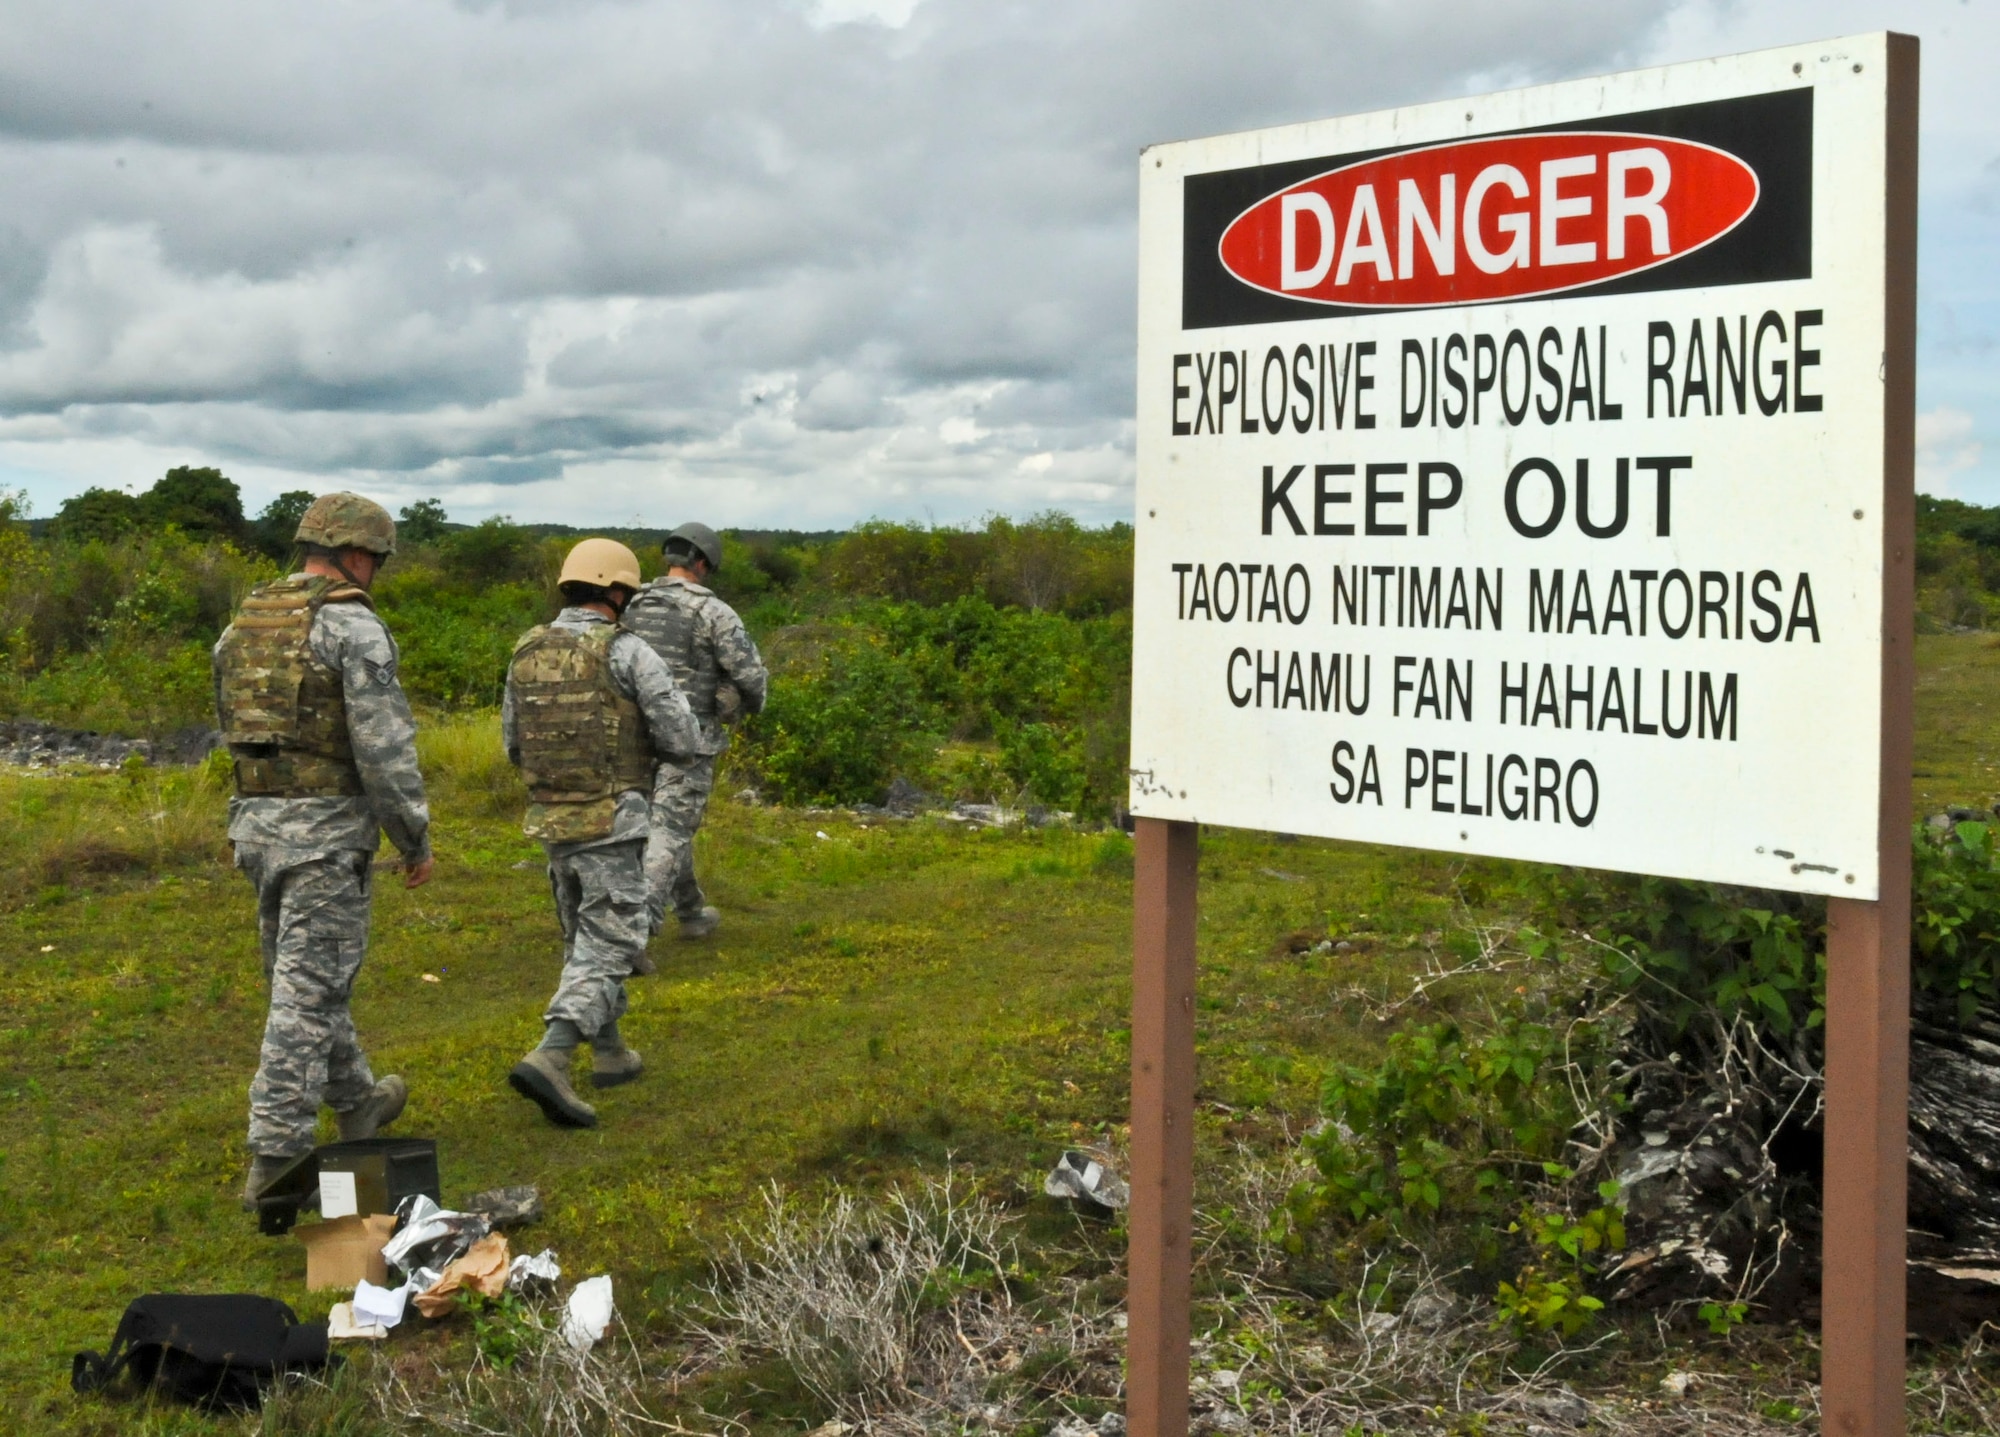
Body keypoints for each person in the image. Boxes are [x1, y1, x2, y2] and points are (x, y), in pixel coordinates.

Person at [213, 492, 434, 1209]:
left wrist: (242, 817)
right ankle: (276, 1158)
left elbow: (234, 725)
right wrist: (413, 836)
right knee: (304, 998)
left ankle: (360, 1101)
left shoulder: (246, 623)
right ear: (359, 555)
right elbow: (383, 749)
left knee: (307, 979)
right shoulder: (351, 628)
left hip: (259, 829)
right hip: (325, 839)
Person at [503, 538, 700, 1127]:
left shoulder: (526, 649)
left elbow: (513, 743)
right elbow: (683, 737)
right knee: (612, 939)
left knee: (585, 940)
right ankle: (555, 1053)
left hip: (552, 820)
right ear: (616, 591)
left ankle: (610, 1052)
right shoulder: (629, 651)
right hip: (613, 816)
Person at [620, 522, 768, 940]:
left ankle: (691, 910)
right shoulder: (713, 611)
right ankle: (634, 933)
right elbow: (749, 674)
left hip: (632, 737)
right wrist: (749, 703)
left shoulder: (632, 603)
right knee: (668, 829)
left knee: (654, 825)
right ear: (702, 563)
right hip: (690, 739)